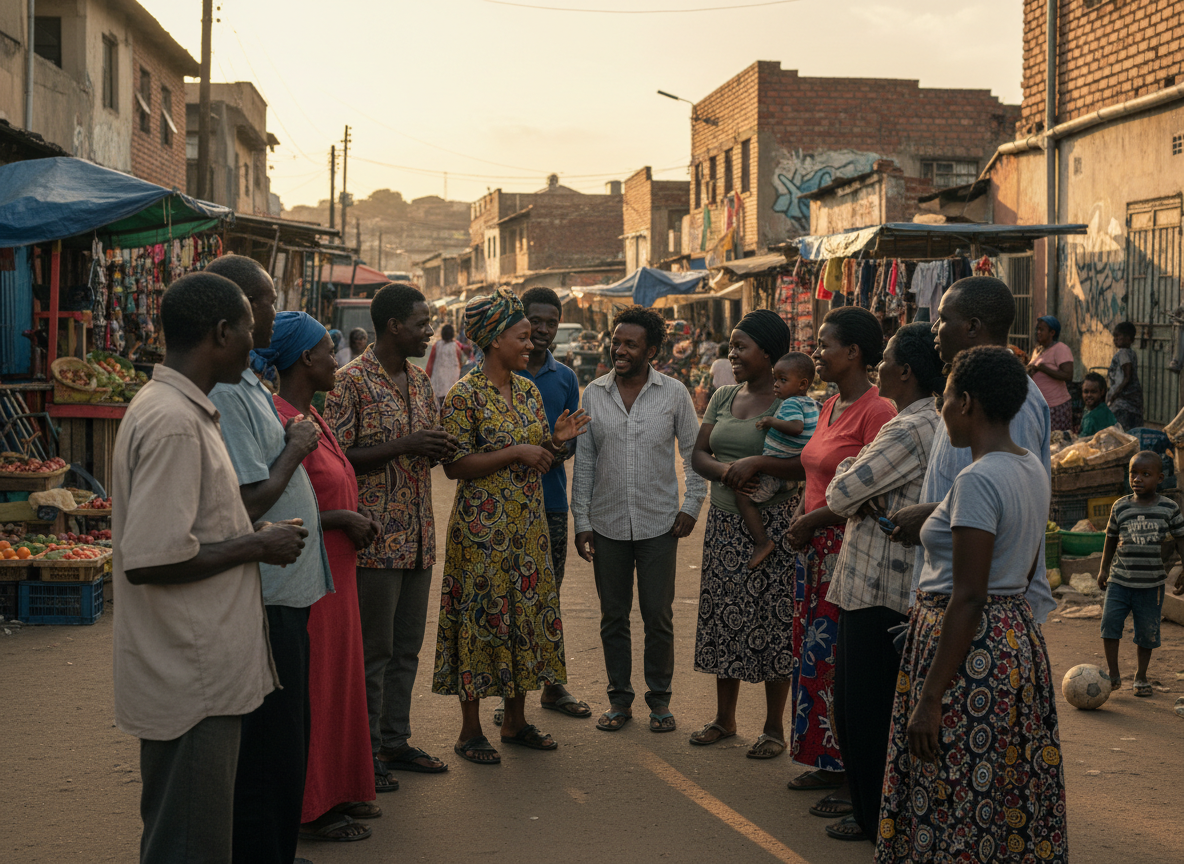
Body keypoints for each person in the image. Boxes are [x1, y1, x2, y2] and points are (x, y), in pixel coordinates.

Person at [112, 273, 308, 864]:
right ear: (221, 333)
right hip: (190, 676)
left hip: (198, 668)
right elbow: (151, 560)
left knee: (195, 834)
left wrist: (251, 537)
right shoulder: (173, 421)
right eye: (249, 327)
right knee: (189, 843)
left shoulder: (181, 410)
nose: (257, 341)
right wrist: (257, 545)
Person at [876, 346, 1066, 864]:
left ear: (966, 403)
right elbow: (1021, 571)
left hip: (969, 653)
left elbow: (969, 594)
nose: (941, 409)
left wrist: (931, 696)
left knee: (953, 784)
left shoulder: (977, 480)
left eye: (947, 397)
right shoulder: (1029, 468)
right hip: (1012, 640)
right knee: (1001, 785)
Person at [204, 254, 333, 864]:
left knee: (285, 742)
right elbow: (248, 496)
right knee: (268, 749)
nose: (273, 311)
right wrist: (297, 447)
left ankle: (275, 849)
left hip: (288, 592)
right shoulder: (227, 393)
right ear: (240, 307)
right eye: (268, 299)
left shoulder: (248, 382)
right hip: (266, 594)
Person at [432, 288, 589, 764]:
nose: (531, 344)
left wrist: (553, 440)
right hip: (482, 531)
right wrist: (516, 453)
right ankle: (470, 731)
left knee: (526, 619)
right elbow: (455, 465)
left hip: (528, 526)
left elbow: (536, 450)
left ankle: (517, 721)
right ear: (495, 340)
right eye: (522, 337)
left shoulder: (525, 391)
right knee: (481, 621)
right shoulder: (465, 394)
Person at [325, 283, 456, 792]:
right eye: (422, 323)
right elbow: (334, 457)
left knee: (407, 650)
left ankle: (395, 741)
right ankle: (366, 752)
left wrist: (436, 447)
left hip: (419, 538)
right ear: (395, 326)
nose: (429, 330)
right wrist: (406, 444)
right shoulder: (349, 382)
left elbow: (425, 448)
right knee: (373, 653)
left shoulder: (421, 383)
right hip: (375, 542)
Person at [260, 312, 384, 842]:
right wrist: (340, 519)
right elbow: (272, 501)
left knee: (340, 680)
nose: (337, 359)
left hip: (339, 569)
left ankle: (341, 787)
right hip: (313, 568)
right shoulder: (279, 419)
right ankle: (312, 805)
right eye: (328, 351)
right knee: (316, 687)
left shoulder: (312, 415)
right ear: (305, 359)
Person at [820, 322, 944, 843]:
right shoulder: (917, 421)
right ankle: (873, 811)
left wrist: (855, 479)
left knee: (862, 713)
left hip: (877, 590)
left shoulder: (906, 428)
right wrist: (858, 479)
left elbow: (840, 492)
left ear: (906, 371)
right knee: (861, 709)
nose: (880, 366)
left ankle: (874, 818)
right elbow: (852, 486)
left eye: (887, 358)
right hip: (879, 585)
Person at [890, 277, 1057, 625]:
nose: (935, 328)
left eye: (944, 318)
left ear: (972, 327)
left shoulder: (1012, 401)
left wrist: (932, 516)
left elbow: (1012, 501)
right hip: (951, 600)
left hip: (983, 614)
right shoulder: (965, 390)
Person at [572, 305, 706, 734]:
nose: (620, 350)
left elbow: (693, 454)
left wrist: (691, 507)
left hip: (659, 526)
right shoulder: (593, 393)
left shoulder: (674, 394)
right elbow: (586, 462)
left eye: (631, 344)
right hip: (607, 524)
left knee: (657, 615)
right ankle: (619, 700)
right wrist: (582, 520)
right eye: (617, 342)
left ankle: (660, 700)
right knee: (613, 615)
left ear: (651, 349)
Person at [785, 307, 896, 816]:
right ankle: (826, 759)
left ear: (854, 352)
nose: (817, 352)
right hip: (814, 553)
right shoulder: (828, 405)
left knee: (839, 665)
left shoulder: (879, 412)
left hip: (844, 549)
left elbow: (871, 492)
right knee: (812, 655)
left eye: (825, 344)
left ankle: (855, 772)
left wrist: (814, 522)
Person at [690, 310, 801, 759]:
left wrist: (757, 465)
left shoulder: (791, 402)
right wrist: (727, 471)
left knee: (774, 622)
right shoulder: (723, 395)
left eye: (741, 347)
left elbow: (804, 462)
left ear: (769, 354)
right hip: (724, 523)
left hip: (774, 526)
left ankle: (774, 727)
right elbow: (699, 454)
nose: (731, 355)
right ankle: (724, 718)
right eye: (732, 347)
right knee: (723, 618)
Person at [514, 286, 591, 722]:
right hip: (504, 503)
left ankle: (550, 684)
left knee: (548, 596)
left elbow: (571, 441)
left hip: (551, 503)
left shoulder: (564, 378)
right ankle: (513, 692)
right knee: (510, 598)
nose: (542, 330)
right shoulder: (498, 369)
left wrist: (556, 447)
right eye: (534, 321)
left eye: (550, 323)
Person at [1097, 450, 1184, 696]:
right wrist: (1103, 569)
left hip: (1151, 585)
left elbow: (1180, 539)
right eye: (1133, 473)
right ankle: (1113, 674)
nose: (1137, 479)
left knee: (1146, 632)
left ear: (1160, 478)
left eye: (1146, 474)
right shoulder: (1120, 506)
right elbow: (1111, 537)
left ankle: (1141, 676)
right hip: (1119, 581)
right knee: (1110, 625)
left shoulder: (1169, 508)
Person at [735, 352, 818, 570]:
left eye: (783, 380)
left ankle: (762, 542)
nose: (776, 385)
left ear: (802, 384)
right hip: (793, 470)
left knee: (742, 496)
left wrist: (771, 421)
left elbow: (796, 427)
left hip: (775, 468)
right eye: (775, 379)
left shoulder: (791, 404)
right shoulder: (812, 404)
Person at [1027, 315, 1075, 432]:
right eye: (1037, 329)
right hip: (1039, 407)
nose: (1038, 332)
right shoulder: (1038, 350)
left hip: (1055, 407)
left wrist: (1044, 369)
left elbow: (1068, 376)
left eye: (1042, 330)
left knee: (1056, 443)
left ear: (1052, 332)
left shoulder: (1060, 349)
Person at [1107, 321, 1144, 430]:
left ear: (1129, 338)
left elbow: (1127, 376)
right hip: (1133, 403)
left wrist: (1115, 393)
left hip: (1123, 402)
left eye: (1118, 336)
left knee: (1121, 432)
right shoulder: (1131, 353)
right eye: (1114, 336)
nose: (1115, 339)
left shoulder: (1123, 353)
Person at [426, 323, 469, 407]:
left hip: (439, 381)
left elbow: (430, 364)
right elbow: (462, 360)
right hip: (453, 380)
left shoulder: (437, 345)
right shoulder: (456, 345)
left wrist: (426, 378)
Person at [1079, 371, 1117, 436]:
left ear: (1102, 392)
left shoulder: (1099, 415)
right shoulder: (1089, 409)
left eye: (1093, 392)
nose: (1089, 395)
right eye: (1086, 392)